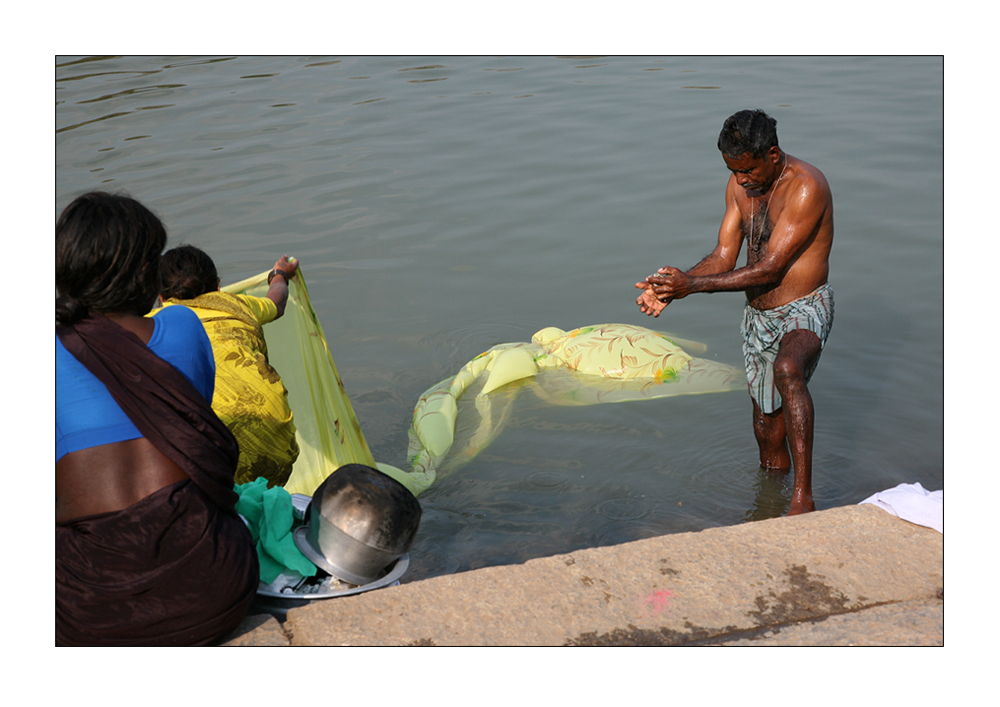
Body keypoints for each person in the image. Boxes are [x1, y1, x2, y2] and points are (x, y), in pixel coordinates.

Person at [56, 191, 259, 645]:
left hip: (88, 608)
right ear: (144, 272)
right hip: (213, 587)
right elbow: (188, 430)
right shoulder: (184, 326)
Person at [634, 109, 834, 516]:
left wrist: (693, 287)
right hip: (758, 318)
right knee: (766, 424)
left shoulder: (805, 187)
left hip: (804, 307)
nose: (741, 180)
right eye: (732, 170)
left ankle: (802, 498)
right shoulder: (739, 185)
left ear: (773, 154)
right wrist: (674, 285)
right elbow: (724, 256)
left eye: (747, 170)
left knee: (788, 369)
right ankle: (768, 502)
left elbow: (771, 268)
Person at [159, 245, 300, 487]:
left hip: (215, 455)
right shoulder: (237, 305)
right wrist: (279, 274)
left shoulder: (151, 326)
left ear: (161, 298)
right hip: (277, 442)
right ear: (218, 285)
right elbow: (277, 301)